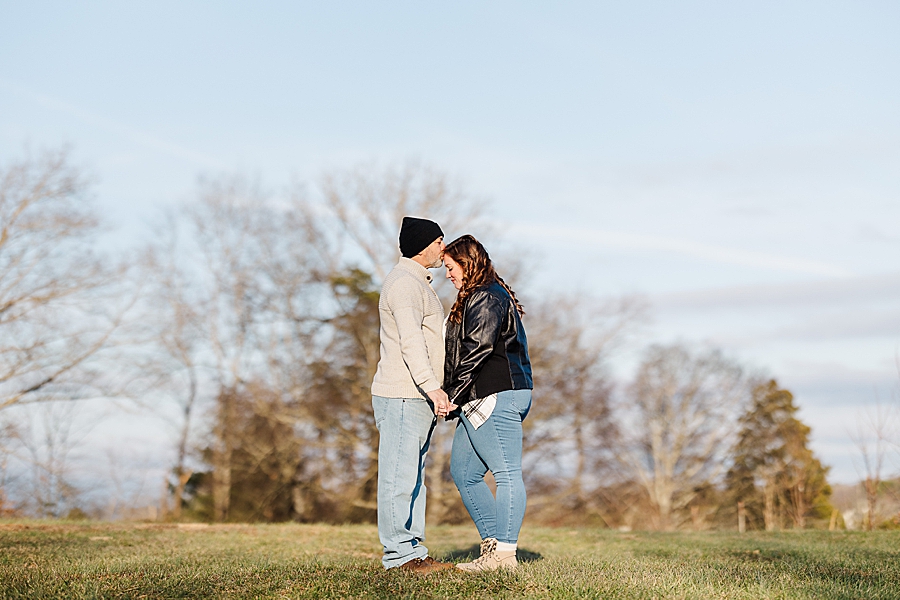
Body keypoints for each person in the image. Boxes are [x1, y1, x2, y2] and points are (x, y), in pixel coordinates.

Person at [442, 234, 533, 572]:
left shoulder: (484, 297)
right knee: (464, 473)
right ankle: (493, 548)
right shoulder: (486, 294)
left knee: (507, 474)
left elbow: (477, 350)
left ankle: (504, 558)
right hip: (481, 396)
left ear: (467, 264)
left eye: (451, 268)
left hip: (495, 393)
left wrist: (450, 397)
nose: (448, 274)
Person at [370, 216, 455, 573]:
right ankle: (399, 555)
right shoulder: (405, 284)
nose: (443, 249)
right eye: (439, 242)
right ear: (423, 246)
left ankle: (413, 552)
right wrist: (433, 387)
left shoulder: (418, 283)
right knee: (398, 477)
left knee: (413, 476)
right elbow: (411, 342)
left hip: (416, 396)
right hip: (404, 394)